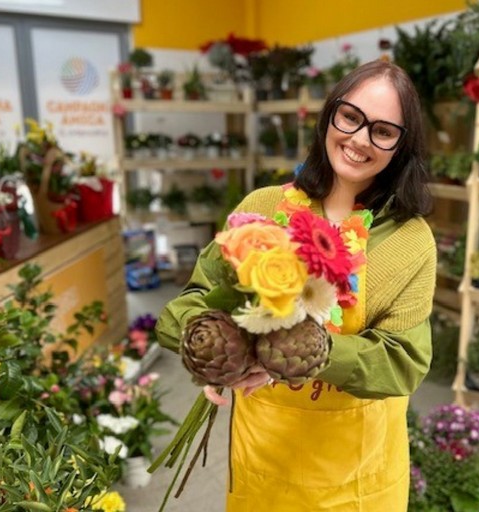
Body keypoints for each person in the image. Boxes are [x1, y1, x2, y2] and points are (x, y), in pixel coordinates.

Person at [157, 59, 436, 511]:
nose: (360, 139)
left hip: (358, 472)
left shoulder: (410, 240)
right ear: (331, 114)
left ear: (402, 146)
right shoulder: (262, 209)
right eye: (351, 117)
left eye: (384, 131)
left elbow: (403, 364)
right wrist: (222, 353)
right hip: (266, 456)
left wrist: (301, 350)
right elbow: (189, 304)